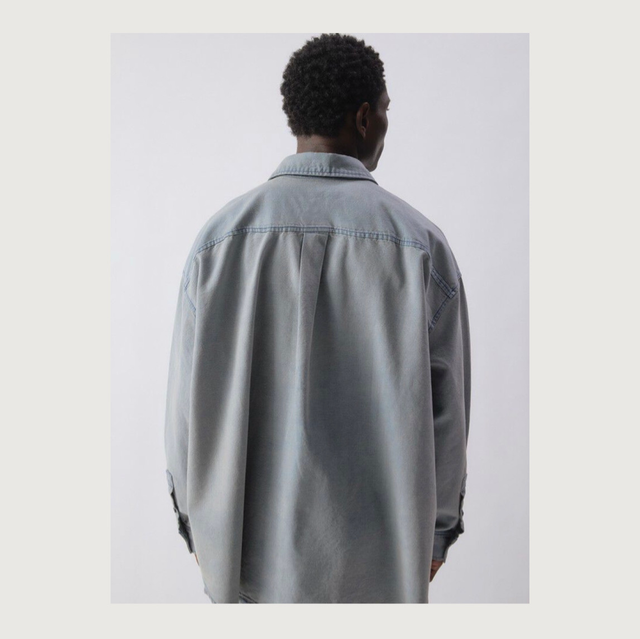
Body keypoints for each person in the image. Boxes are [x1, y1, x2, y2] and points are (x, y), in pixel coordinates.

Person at [164, 33, 471, 604]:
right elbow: (447, 412)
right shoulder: (421, 246)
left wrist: (196, 524)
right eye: (385, 111)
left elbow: (185, 409)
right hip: (381, 561)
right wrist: (436, 534)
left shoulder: (219, 242)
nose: (385, 126)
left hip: (246, 561)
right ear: (364, 117)